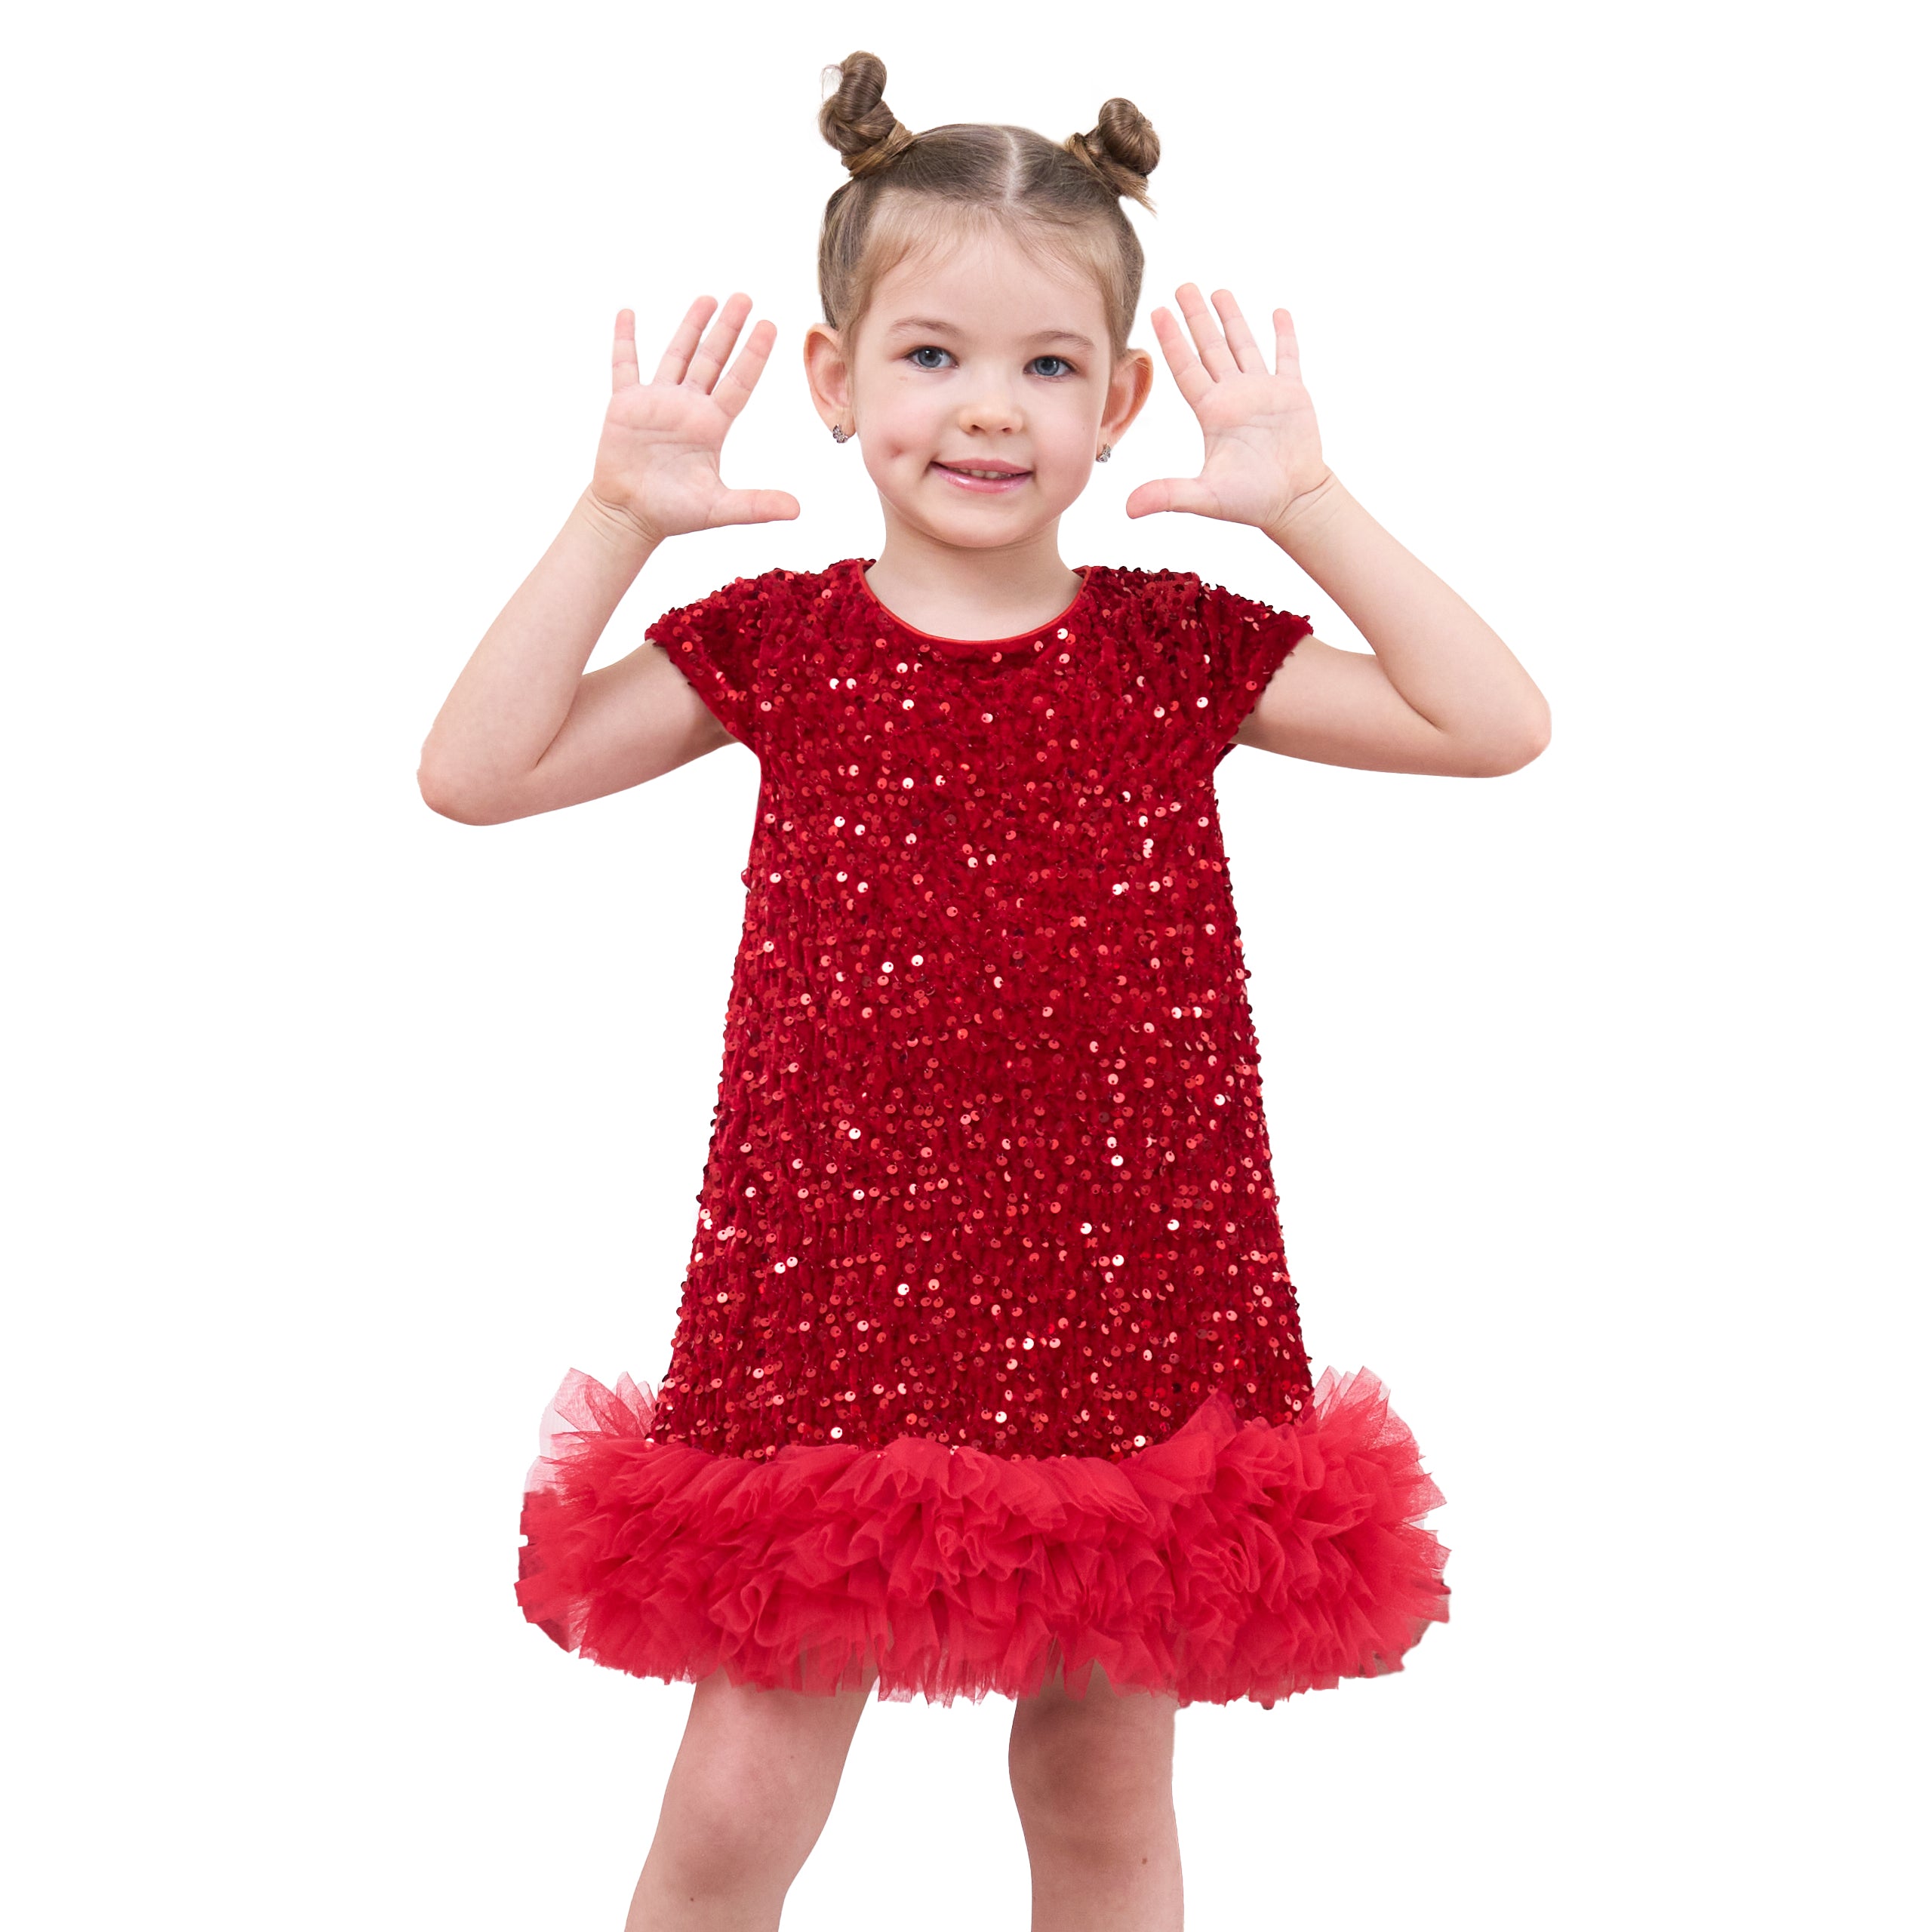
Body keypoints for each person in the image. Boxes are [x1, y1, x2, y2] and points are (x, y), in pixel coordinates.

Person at [418, 48, 1549, 1932]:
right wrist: (613, 514)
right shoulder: (777, 643)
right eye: (930, 353)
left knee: (1097, 1779)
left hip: (1126, 1273)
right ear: (833, 375)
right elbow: (475, 770)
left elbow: (1491, 720)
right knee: (739, 1790)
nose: (986, 409)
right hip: (832, 1277)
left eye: (1044, 366)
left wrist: (1306, 499)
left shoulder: (1173, 647)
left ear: (1116, 402)